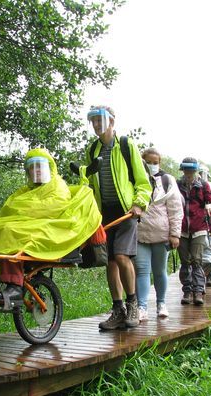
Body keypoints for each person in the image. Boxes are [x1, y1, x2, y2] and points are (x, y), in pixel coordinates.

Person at [0, 148, 101, 306]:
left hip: (51, 229)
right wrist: (24, 211)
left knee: (10, 233)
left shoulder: (57, 186)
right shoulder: (25, 190)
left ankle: (14, 287)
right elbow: (7, 209)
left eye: (40, 166)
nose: (37, 171)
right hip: (31, 226)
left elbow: (50, 208)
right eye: (33, 167)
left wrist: (23, 211)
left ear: (50, 168)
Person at [78, 106, 152, 330]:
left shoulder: (126, 145)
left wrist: (139, 204)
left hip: (127, 211)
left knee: (121, 256)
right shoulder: (93, 149)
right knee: (109, 261)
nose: (97, 125)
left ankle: (133, 305)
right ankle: (118, 309)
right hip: (105, 213)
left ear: (111, 121)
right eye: (94, 121)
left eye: (101, 120)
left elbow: (142, 180)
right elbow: (89, 182)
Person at [135, 148, 183, 321]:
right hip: (139, 234)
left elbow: (176, 209)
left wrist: (175, 234)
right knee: (141, 270)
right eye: (149, 162)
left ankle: (161, 303)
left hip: (162, 234)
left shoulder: (167, 180)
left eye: (156, 163)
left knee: (159, 270)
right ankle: (141, 307)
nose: (153, 166)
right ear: (142, 161)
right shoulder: (135, 178)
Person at [177, 157, 211, 306]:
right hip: (181, 229)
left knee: (197, 260)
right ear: (183, 170)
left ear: (196, 171)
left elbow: (210, 201)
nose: (189, 173)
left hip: (199, 228)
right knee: (185, 261)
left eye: (191, 170)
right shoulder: (177, 184)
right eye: (186, 170)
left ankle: (198, 291)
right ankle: (187, 291)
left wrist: (208, 208)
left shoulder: (203, 185)